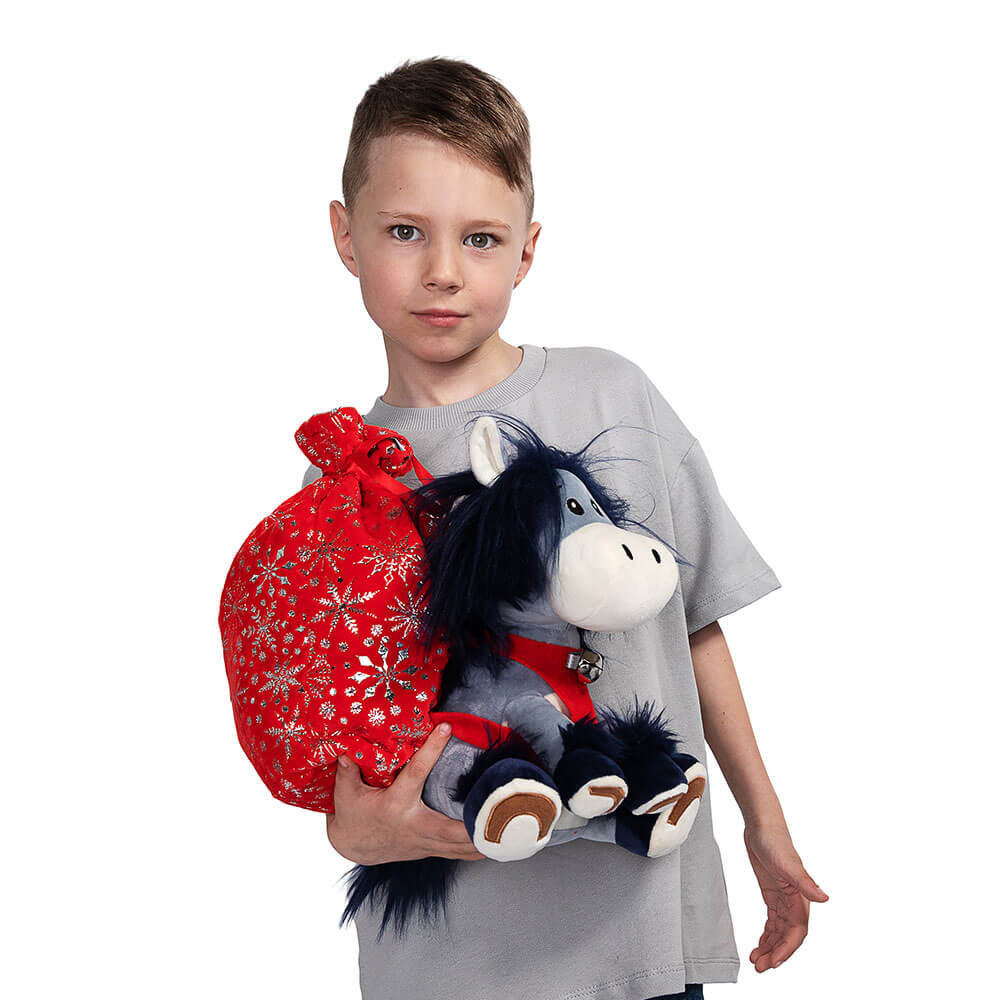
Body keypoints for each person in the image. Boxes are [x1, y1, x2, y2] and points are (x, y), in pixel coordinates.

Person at [302, 56, 828, 1000]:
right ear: (346, 235)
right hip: (446, 964)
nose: (443, 272)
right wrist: (356, 830)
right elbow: (338, 732)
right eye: (405, 231)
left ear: (528, 251)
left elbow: (694, 625)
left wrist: (766, 822)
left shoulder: (611, 394)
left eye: (482, 239)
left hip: (640, 935)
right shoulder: (341, 477)